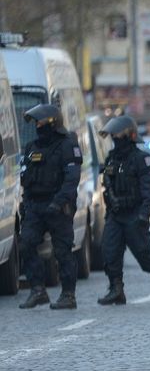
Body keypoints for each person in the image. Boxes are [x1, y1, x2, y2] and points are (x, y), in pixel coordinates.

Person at [96, 116, 150, 305]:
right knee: (109, 252)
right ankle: (116, 289)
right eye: (112, 135)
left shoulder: (142, 158)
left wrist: (144, 214)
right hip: (115, 214)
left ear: (129, 135)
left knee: (143, 256)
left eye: (117, 134)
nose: (115, 138)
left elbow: (149, 189)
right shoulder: (111, 159)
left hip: (134, 214)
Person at [18, 104, 82, 310]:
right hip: (35, 206)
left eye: (40, 122)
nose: (37, 126)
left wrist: (59, 202)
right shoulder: (31, 148)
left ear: (53, 123)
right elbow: (25, 179)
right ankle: (38, 290)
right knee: (26, 244)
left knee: (63, 251)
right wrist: (26, 204)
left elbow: (71, 180)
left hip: (58, 206)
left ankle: (68, 295)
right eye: (35, 123)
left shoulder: (67, 146)